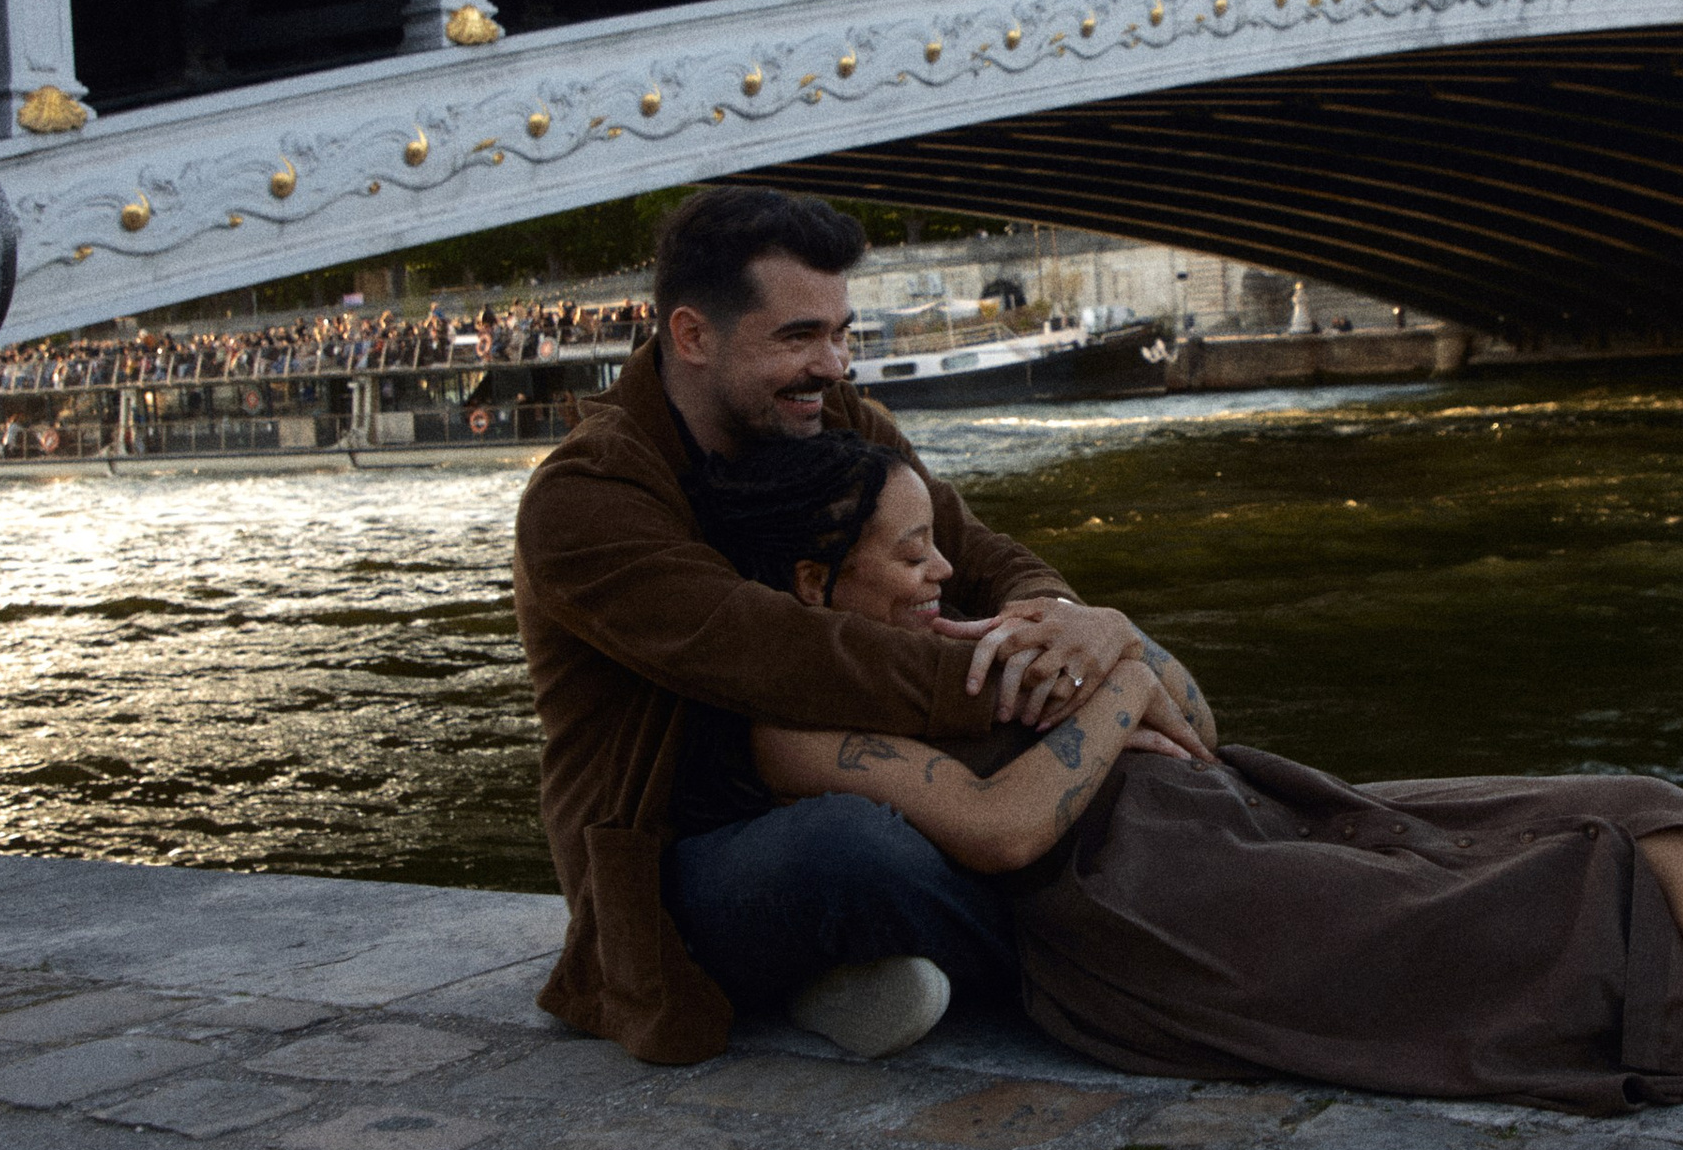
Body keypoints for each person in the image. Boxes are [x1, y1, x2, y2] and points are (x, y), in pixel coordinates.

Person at [677, 429, 1683, 1135]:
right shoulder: (795, 719)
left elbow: (1190, 710)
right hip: (1164, 920)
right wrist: (1105, 687)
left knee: (1617, 812)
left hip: (1250, 822)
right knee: (1587, 905)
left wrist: (1123, 655)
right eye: (904, 561)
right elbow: (1012, 822)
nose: (938, 577)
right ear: (812, 587)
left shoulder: (968, 643)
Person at [513, 183, 1216, 1070]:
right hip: (689, 853)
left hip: (892, 777)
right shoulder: (587, 499)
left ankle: (863, 969)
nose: (836, 365)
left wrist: (1070, 626)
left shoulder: (831, 418)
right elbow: (780, 654)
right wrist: (1024, 685)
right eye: (800, 337)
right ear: (692, 336)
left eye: (841, 333)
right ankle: (1105, 959)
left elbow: (973, 550)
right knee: (851, 852)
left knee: (1090, 712)